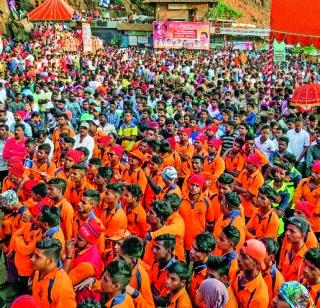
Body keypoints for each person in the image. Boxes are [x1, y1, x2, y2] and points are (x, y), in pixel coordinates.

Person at [31, 238, 76, 307]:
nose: (32, 259)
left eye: (37, 257)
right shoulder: (39, 270)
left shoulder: (62, 287)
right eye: (34, 254)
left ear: (50, 261)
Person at [233, 239, 269, 307]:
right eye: (240, 254)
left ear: (256, 263)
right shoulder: (238, 272)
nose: (239, 258)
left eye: (244, 257)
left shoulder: (260, 296)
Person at [278, 216, 309, 281]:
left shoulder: (307, 259)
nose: (287, 233)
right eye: (287, 230)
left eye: (292, 231)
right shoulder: (287, 247)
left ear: (302, 236)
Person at [189, 232, 216, 303]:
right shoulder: (196, 261)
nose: (191, 251)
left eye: (197, 250)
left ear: (207, 253)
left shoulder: (211, 276)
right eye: (192, 247)